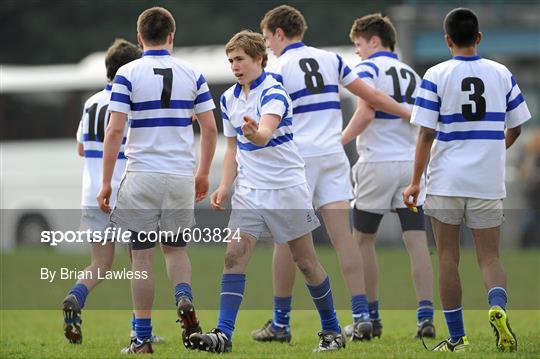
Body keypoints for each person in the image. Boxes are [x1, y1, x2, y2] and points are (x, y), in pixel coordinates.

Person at [252, 4, 412, 343]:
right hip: (332, 155)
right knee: (344, 238)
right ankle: (362, 316)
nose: (267, 46)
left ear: (279, 33)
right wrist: (410, 113)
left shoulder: (275, 68)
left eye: (267, 39)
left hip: (296, 160)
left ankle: (281, 323)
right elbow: (373, 97)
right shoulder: (332, 59)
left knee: (286, 241)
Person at [188, 30, 345, 353]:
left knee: (305, 262)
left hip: (287, 189)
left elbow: (264, 133)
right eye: (231, 60)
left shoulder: (274, 91)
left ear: (259, 58)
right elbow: (232, 148)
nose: (234, 66)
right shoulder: (229, 98)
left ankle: (332, 331)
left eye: (240, 59)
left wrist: (255, 132)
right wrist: (224, 185)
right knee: (234, 256)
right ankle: (223, 334)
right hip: (249, 191)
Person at [403, 7, 530, 352]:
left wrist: (415, 182)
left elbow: (426, 134)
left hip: (446, 181)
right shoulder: (501, 72)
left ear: (447, 40)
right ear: (479, 38)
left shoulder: (435, 74)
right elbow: (516, 125)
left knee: (447, 257)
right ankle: (497, 307)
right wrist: (496, 148)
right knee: (490, 257)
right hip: (487, 181)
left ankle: (457, 338)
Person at [97, 7, 218, 354]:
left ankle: (142, 338)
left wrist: (106, 182)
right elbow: (209, 127)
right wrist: (203, 173)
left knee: (142, 257)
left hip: (142, 175)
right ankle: (183, 298)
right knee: (176, 251)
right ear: (171, 37)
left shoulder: (127, 73)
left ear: (139, 38)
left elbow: (115, 130)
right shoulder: (193, 73)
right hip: (180, 174)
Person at [61, 38, 163, 345]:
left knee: (100, 264)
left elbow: (81, 148)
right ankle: (139, 330)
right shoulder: (128, 102)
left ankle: (75, 296)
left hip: (93, 193)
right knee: (140, 264)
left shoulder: (91, 102)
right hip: (127, 191)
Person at [341, 13, 435, 340]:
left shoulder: (367, 69)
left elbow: (366, 111)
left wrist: (338, 141)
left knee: (362, 241)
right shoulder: (414, 74)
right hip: (410, 166)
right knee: (417, 241)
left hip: (376, 163)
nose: (357, 52)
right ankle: (425, 317)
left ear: (375, 41)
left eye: (359, 44)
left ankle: (369, 317)